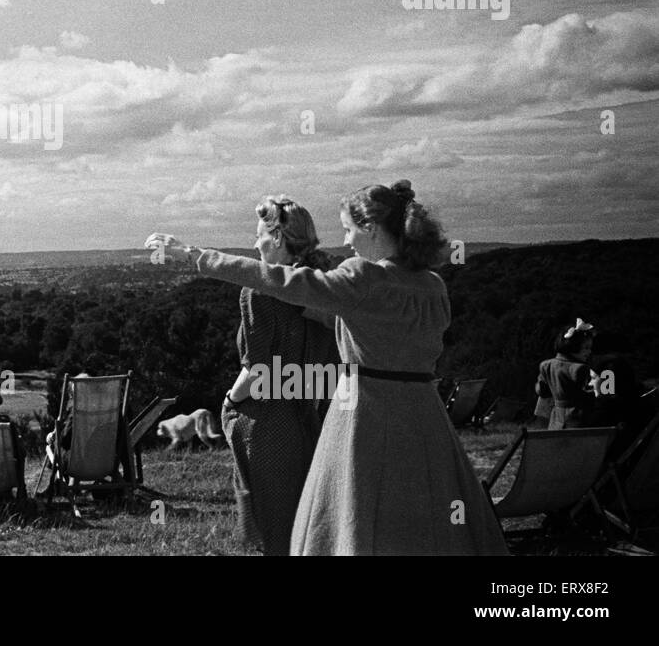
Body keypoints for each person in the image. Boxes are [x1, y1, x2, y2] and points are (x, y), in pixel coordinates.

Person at [147, 179, 508, 556]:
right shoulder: (433, 285)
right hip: (425, 414)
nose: (348, 241)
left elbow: (275, 279)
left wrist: (194, 254)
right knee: (427, 509)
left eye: (350, 230)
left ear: (370, 228)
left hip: (366, 411)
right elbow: (382, 326)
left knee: (356, 511)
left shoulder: (365, 277)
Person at [219, 195, 338, 556]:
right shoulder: (322, 287)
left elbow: (256, 370)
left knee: (270, 527)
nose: (254, 243)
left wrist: (230, 400)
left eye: (259, 234)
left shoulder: (258, 292)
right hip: (310, 419)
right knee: (308, 528)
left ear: (278, 239)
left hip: (267, 421)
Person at [536, 320, 597, 430]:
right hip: (577, 421)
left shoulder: (546, 365)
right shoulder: (579, 369)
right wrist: (597, 391)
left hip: (556, 419)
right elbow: (587, 398)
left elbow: (542, 391)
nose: (589, 352)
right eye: (586, 348)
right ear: (573, 347)